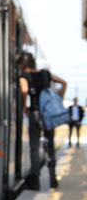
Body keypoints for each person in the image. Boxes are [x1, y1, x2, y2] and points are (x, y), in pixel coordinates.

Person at [17, 52, 67, 190]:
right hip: (47, 114)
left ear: (21, 64)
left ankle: (35, 180)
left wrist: (24, 107)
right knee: (49, 144)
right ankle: (53, 178)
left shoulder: (24, 76)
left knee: (34, 146)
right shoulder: (45, 73)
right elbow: (63, 83)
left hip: (34, 113)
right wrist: (58, 100)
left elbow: (25, 89)